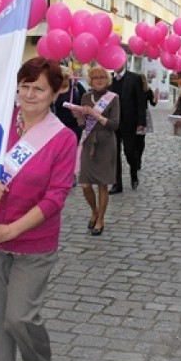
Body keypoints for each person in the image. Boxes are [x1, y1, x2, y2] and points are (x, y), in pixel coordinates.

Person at [0, 57, 77, 361]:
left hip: (34, 244)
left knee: (20, 317)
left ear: (55, 93)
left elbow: (55, 198)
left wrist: (9, 230)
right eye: (24, 86)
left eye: (38, 88)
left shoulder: (63, 138)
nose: (29, 95)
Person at [69, 66, 119, 236]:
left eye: (102, 77)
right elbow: (83, 125)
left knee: (103, 185)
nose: (99, 80)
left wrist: (96, 115)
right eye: (95, 77)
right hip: (89, 141)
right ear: (90, 80)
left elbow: (114, 124)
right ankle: (94, 210)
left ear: (107, 80)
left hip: (106, 142)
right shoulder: (85, 96)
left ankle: (101, 219)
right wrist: (79, 115)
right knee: (85, 184)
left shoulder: (113, 98)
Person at [108, 64, 146, 193]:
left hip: (129, 122)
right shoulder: (109, 79)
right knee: (114, 154)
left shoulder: (134, 78)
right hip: (113, 122)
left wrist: (141, 121)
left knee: (130, 152)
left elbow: (141, 101)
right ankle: (117, 184)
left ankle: (133, 171)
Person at [52, 66, 85, 143]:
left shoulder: (75, 86)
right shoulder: (52, 87)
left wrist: (80, 110)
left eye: (65, 77)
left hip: (75, 126)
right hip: (56, 126)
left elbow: (85, 101)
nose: (63, 80)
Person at [136, 73, 158, 170]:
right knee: (133, 139)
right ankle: (135, 157)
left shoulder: (147, 90)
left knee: (140, 139)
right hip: (133, 115)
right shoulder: (132, 90)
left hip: (143, 115)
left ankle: (138, 158)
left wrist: (156, 97)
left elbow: (153, 103)